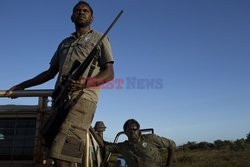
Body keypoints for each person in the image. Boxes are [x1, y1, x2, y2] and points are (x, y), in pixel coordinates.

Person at [8, 1, 114, 167]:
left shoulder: (100, 38)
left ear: (92, 17)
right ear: (72, 16)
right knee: (51, 145)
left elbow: (109, 73)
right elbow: (50, 72)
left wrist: (84, 83)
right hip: (60, 100)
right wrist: (22, 85)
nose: (81, 13)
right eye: (77, 10)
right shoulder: (64, 43)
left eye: (85, 11)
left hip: (82, 99)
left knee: (62, 151)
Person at [90, 119, 176, 167]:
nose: (132, 132)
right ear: (125, 132)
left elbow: (172, 145)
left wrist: (168, 165)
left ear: (138, 130)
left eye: (134, 129)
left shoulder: (151, 139)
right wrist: (90, 129)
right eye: (129, 130)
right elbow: (104, 145)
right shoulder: (123, 146)